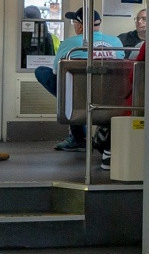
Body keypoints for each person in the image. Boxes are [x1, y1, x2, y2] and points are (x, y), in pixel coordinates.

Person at [34, 9, 122, 151]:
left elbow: (56, 72)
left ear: (80, 25)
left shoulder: (70, 43)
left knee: (43, 72)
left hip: (78, 97)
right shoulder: (116, 41)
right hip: (109, 97)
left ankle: (78, 138)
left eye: (74, 22)